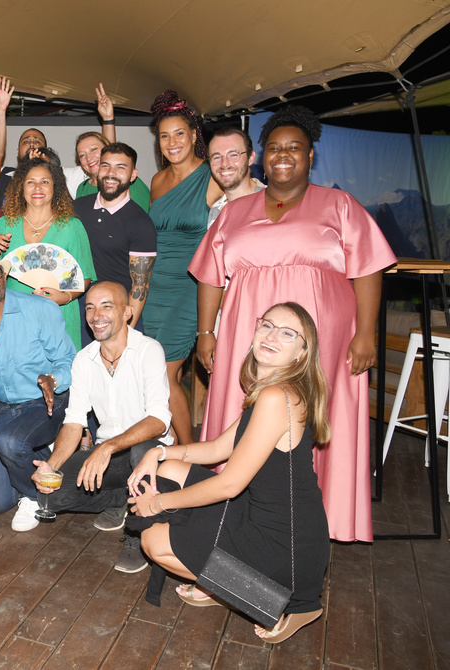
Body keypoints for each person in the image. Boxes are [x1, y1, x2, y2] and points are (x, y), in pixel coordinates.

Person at [189, 106, 396, 543]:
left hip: (322, 340)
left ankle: (309, 528)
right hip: (249, 334)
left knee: (318, 423)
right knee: (239, 416)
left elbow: (369, 269)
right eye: (275, 148)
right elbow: (210, 274)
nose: (283, 155)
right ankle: (229, 523)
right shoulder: (234, 210)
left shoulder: (340, 205)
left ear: (311, 155)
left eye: (294, 148)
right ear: (262, 156)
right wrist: (206, 333)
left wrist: (364, 335)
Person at [128, 303, 331, 644]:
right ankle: (219, 578)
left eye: (287, 333)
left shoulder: (276, 397)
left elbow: (230, 483)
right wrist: (158, 451)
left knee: (154, 542)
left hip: (286, 545)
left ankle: (276, 602)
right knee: (172, 468)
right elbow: (220, 448)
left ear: (302, 352)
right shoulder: (273, 390)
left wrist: (159, 503)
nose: (271, 336)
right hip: (259, 516)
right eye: (266, 325)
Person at [32, 281, 171, 572]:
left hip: (149, 452)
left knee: (141, 450)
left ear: (127, 312)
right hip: (110, 455)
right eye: (90, 307)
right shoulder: (84, 360)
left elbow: (158, 421)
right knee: (51, 496)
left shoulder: (148, 350)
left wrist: (106, 447)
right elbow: (74, 421)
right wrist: (52, 465)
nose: (97, 315)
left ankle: (137, 531)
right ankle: (122, 496)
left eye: (107, 305)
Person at [0, 245, 76, 531]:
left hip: (48, 402)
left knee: (8, 443)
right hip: (6, 411)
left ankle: (35, 497)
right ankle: (43, 454)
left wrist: (53, 380)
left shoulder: (40, 309)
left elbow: (69, 361)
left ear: (4, 278)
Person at [140, 90, 224, 445]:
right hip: (154, 288)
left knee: (164, 373)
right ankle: (169, 444)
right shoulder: (157, 181)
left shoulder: (213, 177)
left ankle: (189, 454)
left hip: (190, 287)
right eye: (164, 136)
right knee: (149, 372)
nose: (172, 142)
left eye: (179, 134)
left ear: (194, 136)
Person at [0, 158, 96, 349]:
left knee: (58, 377)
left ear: (56, 187)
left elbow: (84, 277)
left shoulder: (72, 226)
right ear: (21, 187)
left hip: (59, 316)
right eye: (31, 182)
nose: (38, 187)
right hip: (14, 318)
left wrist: (65, 297)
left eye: (45, 181)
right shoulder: (4, 224)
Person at [73, 142, 157, 339]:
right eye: (106, 166)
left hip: (117, 313)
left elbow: (140, 287)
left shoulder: (141, 223)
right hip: (78, 310)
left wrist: (126, 335)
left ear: (133, 175)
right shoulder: (76, 208)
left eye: (121, 167)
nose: (111, 173)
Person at [206, 126, 265, 227]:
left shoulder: (272, 203)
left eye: (233, 155)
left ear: (251, 158)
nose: (224, 164)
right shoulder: (216, 210)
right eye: (216, 157)